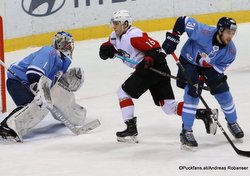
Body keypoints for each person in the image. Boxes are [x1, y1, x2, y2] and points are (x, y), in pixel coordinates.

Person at [99, 10, 213, 143]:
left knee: (122, 92)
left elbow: (156, 48)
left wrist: (148, 59)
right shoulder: (115, 35)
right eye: (114, 23)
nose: (114, 26)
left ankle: (130, 128)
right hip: (154, 69)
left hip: (152, 68)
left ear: (125, 24)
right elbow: (109, 45)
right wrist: (105, 49)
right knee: (168, 106)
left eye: (117, 23)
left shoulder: (133, 35)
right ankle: (202, 113)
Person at [162, 16, 244, 149]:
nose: (231, 36)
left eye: (233, 33)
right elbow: (183, 20)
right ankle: (186, 131)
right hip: (188, 61)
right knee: (193, 93)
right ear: (220, 30)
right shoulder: (203, 31)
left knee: (224, 93)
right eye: (229, 32)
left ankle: (232, 122)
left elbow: (217, 71)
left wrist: (204, 79)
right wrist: (174, 37)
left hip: (210, 67)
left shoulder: (231, 52)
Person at [0, 31, 86, 142]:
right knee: (32, 105)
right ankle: (6, 127)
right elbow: (33, 73)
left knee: (46, 100)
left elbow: (54, 81)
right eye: (65, 44)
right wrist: (39, 91)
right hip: (18, 83)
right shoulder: (49, 52)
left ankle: (74, 114)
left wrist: (67, 81)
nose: (69, 47)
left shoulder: (65, 61)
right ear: (58, 44)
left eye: (70, 44)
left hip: (36, 85)